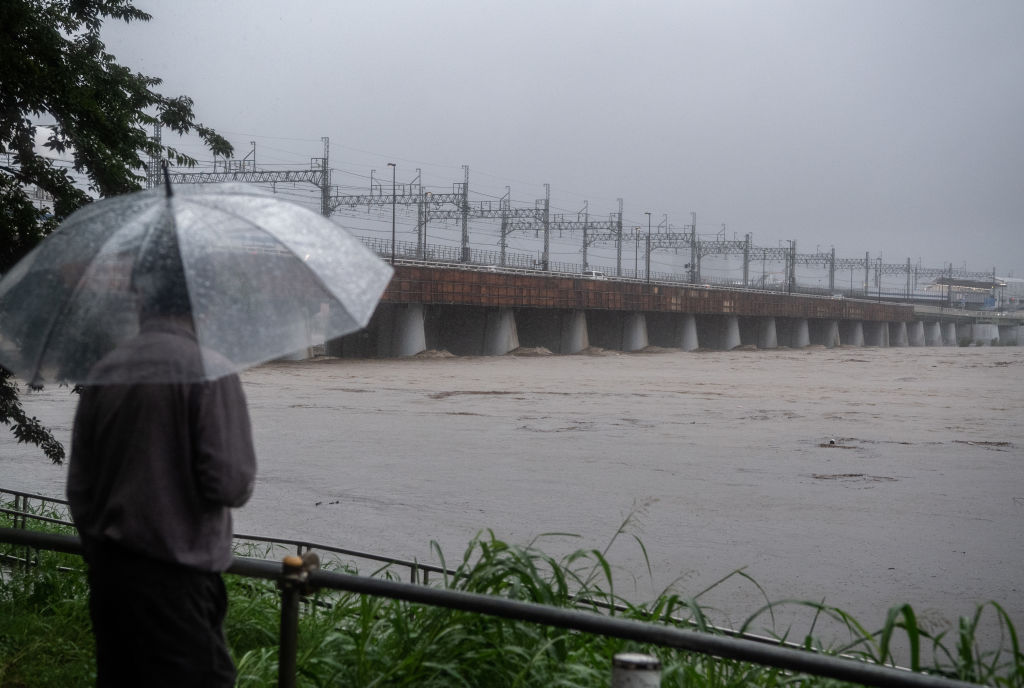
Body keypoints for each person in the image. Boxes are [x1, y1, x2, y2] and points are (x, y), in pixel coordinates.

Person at [67, 235, 257, 687]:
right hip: (179, 584)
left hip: (112, 582)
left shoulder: (106, 370)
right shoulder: (208, 371)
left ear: (140, 297)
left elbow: (80, 490)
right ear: (200, 299)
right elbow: (231, 483)